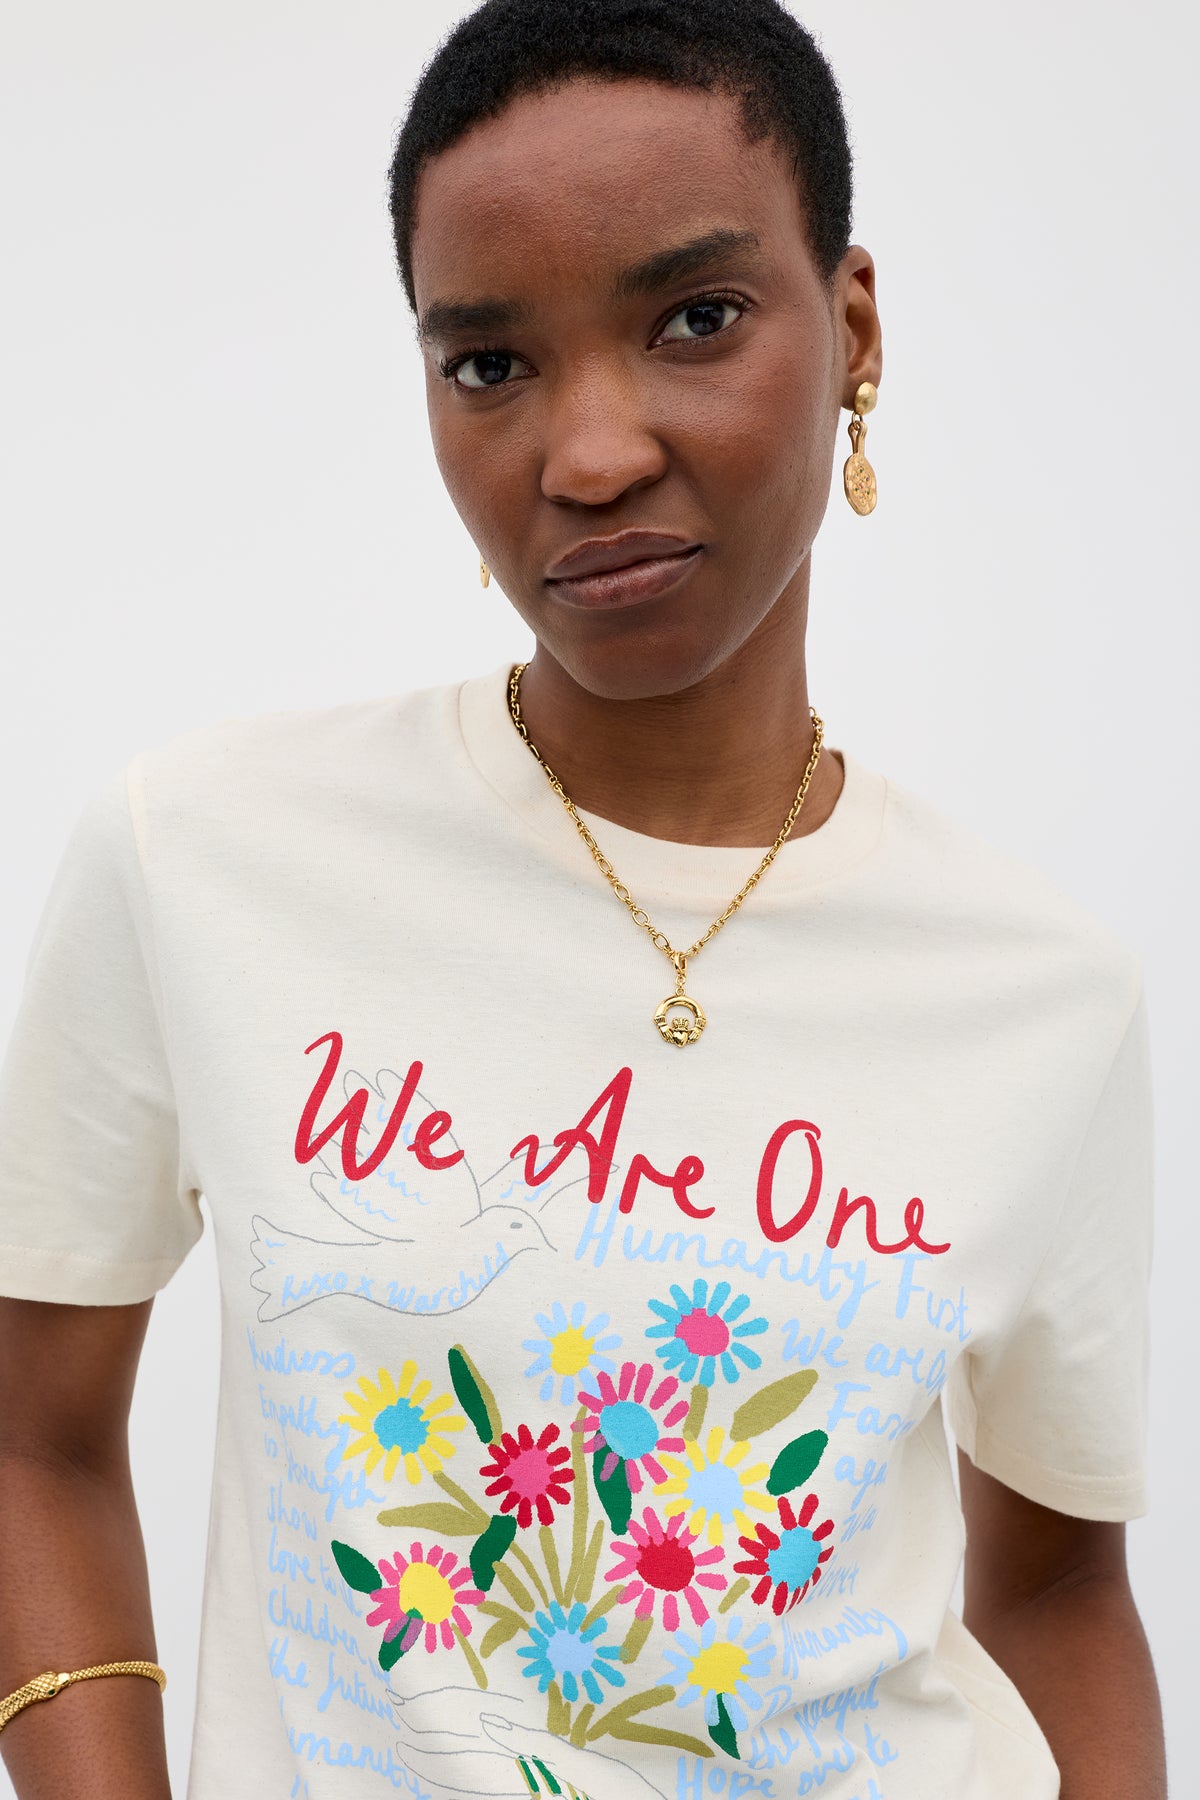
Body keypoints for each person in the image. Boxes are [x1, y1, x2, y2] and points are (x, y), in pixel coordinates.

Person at [0, 1, 1168, 1795]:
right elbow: (34, 1441)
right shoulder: (202, 855)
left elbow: (1065, 1593)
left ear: (851, 329)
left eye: (695, 320)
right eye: (490, 364)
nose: (590, 452)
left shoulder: (1043, 995)